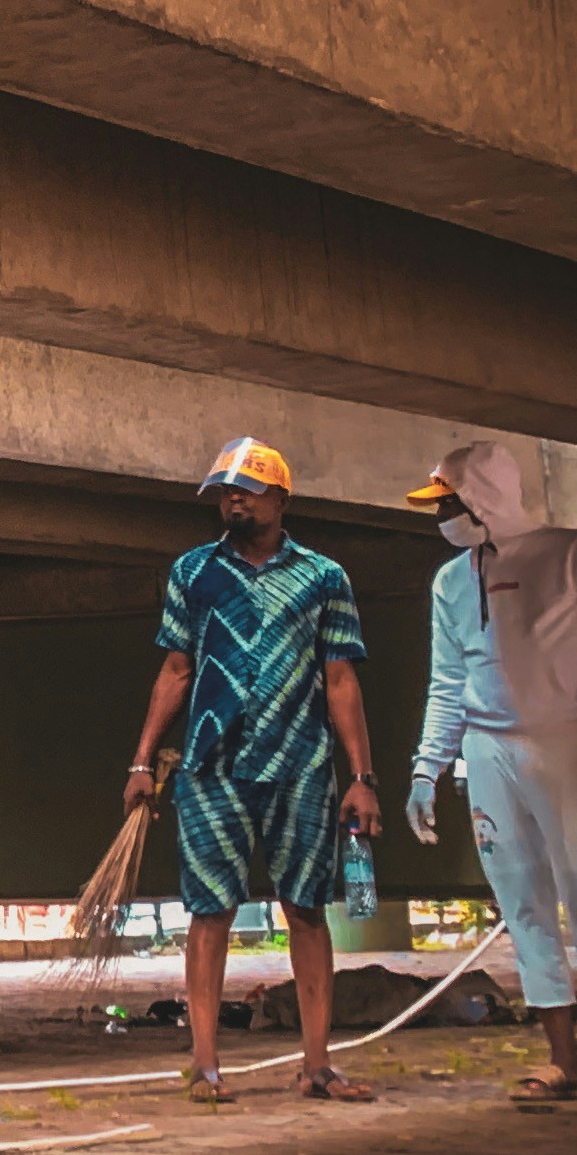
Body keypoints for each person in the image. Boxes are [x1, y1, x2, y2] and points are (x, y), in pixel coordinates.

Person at [405, 442, 577, 1108]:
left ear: (481, 496)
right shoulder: (451, 581)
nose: (440, 516)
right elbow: (447, 681)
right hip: (490, 748)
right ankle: (563, 1060)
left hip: (569, 739)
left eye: (446, 501)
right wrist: (427, 766)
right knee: (519, 898)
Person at [125, 437, 385, 1106]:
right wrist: (142, 761)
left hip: (300, 765)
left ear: (280, 497)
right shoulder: (193, 573)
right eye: (225, 491)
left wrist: (362, 777)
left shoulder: (324, 577)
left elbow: (339, 680)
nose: (233, 500)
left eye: (246, 489)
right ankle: (206, 1065)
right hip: (213, 767)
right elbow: (176, 669)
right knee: (210, 911)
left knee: (306, 909)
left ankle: (317, 1065)